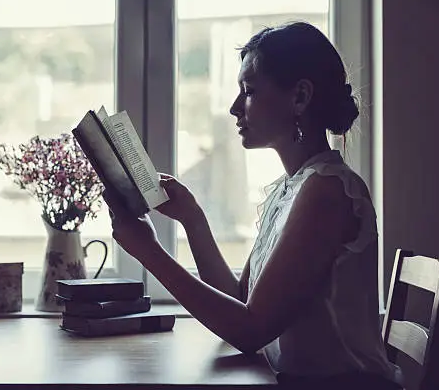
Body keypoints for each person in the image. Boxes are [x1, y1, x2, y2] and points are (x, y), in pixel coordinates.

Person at [102, 22, 403, 390]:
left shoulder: (326, 192)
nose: (233, 108)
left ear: (300, 98)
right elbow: (241, 300)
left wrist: (149, 252)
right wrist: (192, 219)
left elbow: (249, 330)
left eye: (248, 91)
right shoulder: (292, 188)